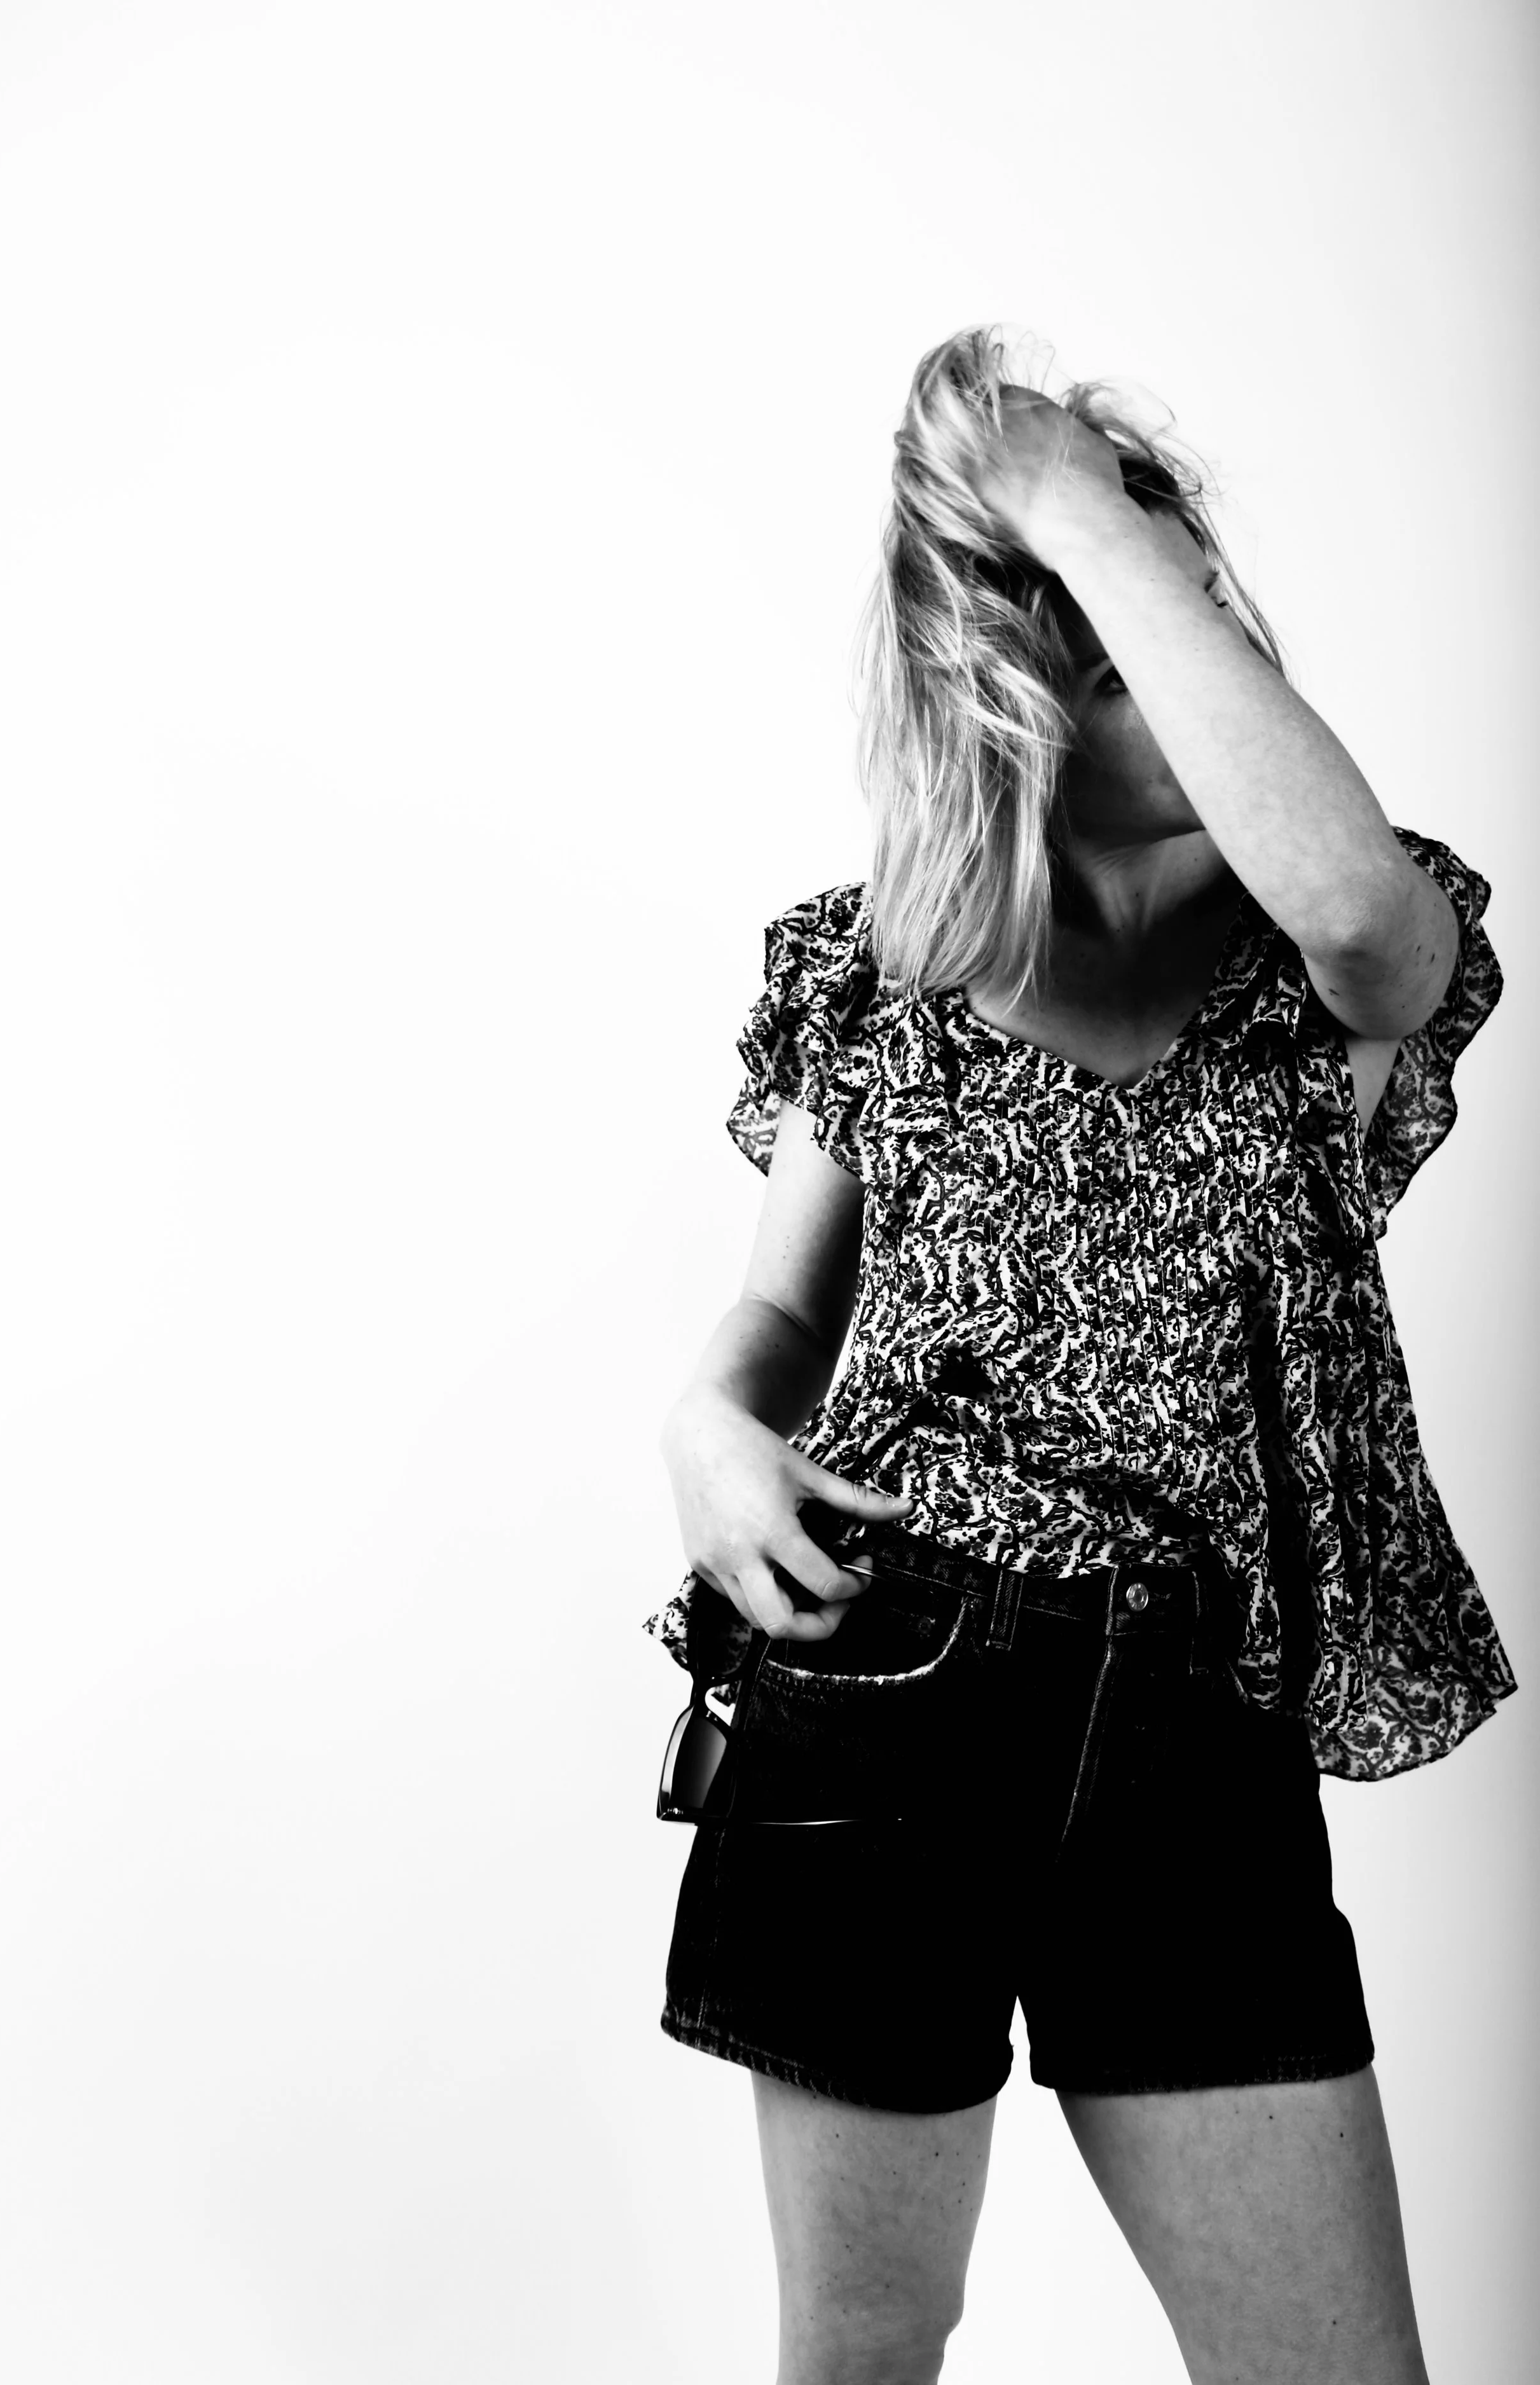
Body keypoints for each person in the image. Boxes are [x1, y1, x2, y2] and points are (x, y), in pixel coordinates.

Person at [648, 324, 1514, 2385]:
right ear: (1007, 693)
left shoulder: (1342, 954)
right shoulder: (879, 971)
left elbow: (1369, 923)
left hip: (1194, 1715)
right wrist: (706, 1423)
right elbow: (783, 1313)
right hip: (877, 1672)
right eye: (1120, 644)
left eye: (1196, 602)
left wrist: (1080, 510)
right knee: (866, 2345)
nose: (1185, 640)